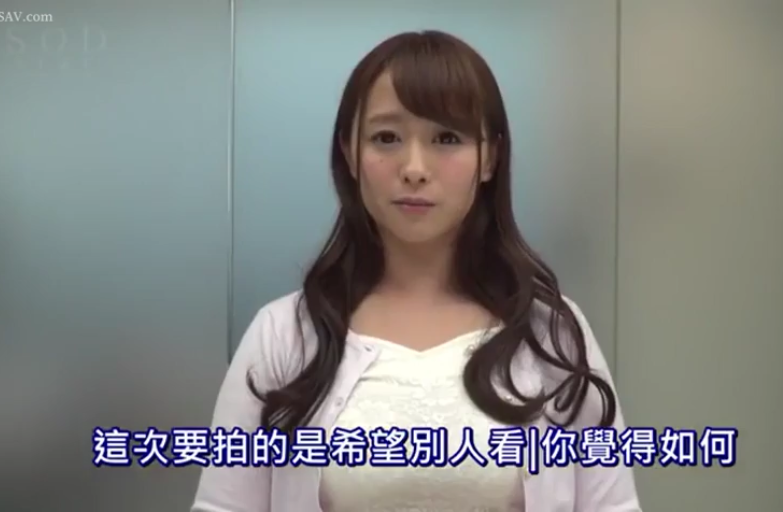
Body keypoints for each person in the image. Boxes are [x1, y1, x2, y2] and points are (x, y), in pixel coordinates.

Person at [191, 30, 641, 512]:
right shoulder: (285, 336)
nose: (414, 168)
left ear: (490, 157)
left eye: (447, 138)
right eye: (386, 138)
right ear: (348, 152)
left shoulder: (550, 335)